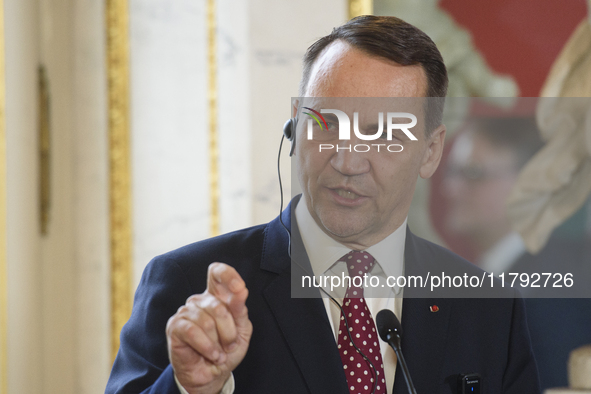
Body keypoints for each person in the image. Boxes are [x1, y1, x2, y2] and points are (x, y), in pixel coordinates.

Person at [106, 16, 540, 394]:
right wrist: (188, 388)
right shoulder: (188, 285)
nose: (347, 161)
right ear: (295, 127)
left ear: (430, 151)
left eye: (384, 135)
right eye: (327, 124)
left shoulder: (489, 306)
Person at [443, 116, 591, 390]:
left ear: (530, 184)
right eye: (452, 172)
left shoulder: (553, 291)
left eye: (473, 173)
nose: (451, 189)